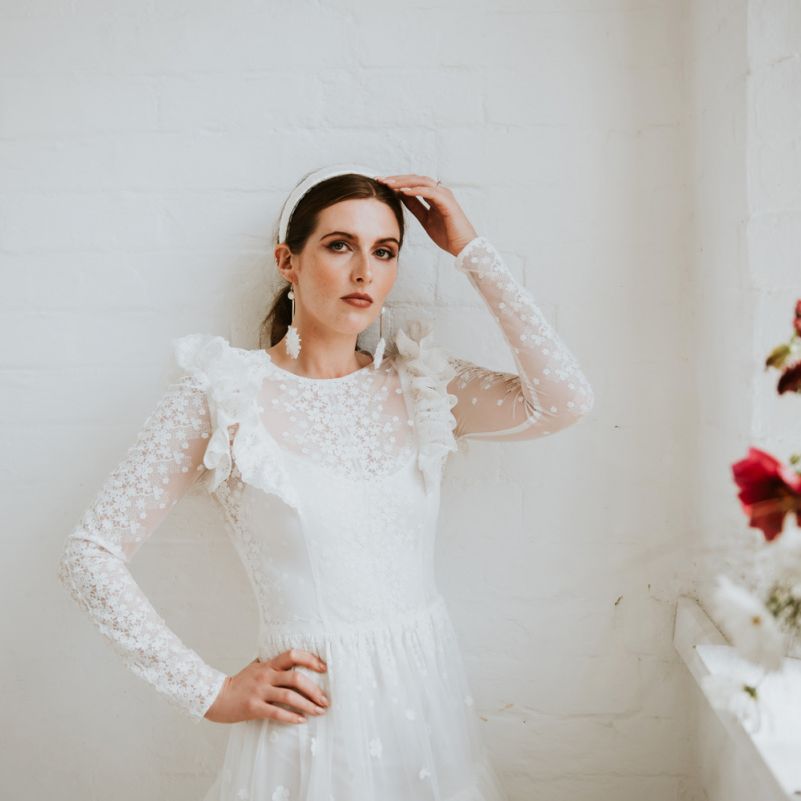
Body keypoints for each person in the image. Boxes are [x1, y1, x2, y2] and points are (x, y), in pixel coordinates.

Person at [57, 163, 595, 801]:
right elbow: (89, 552)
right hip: (309, 719)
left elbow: (564, 401)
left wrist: (469, 251)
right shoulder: (224, 393)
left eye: (384, 251)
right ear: (288, 261)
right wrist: (208, 691)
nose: (365, 271)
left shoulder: (422, 381)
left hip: (427, 710)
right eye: (341, 246)